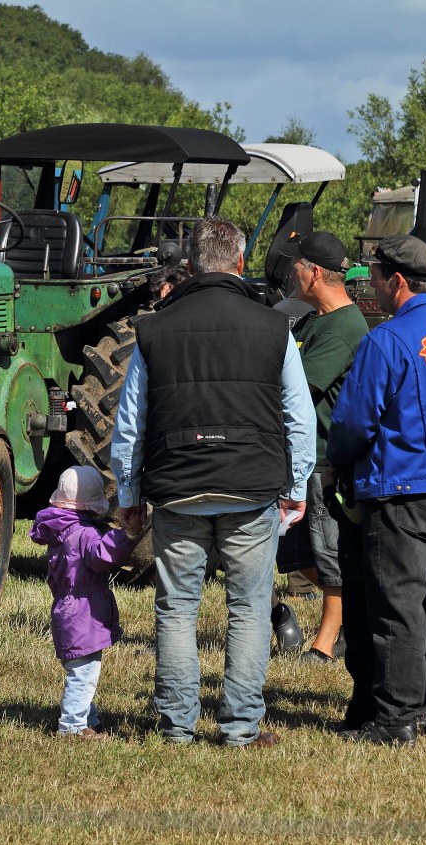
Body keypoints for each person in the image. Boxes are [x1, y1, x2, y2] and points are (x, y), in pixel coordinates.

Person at [111, 217, 316, 747]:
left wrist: (128, 495)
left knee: (177, 609)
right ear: (241, 263)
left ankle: (177, 728)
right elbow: (300, 417)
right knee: (248, 609)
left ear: (192, 265)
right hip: (252, 487)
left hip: (178, 487)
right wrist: (297, 486)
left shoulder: (153, 329)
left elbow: (130, 423)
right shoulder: (275, 327)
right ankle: (241, 728)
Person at [327, 234, 426, 747]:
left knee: (397, 606)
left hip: (401, 491)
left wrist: (337, 461)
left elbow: (353, 421)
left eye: (375, 278)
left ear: (397, 281)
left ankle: (396, 721)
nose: (371, 287)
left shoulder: (386, 341)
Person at [276, 231, 368, 665]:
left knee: (328, 553)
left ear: (313, 273)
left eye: (295, 265)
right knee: (295, 556)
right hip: (298, 457)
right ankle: (355, 609)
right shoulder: (312, 320)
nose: (290, 273)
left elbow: (297, 390)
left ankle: (326, 644)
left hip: (322, 459)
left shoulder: (344, 327)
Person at [29, 465, 137, 739]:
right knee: (84, 673)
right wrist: (126, 534)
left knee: (81, 670)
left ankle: (90, 719)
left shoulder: (59, 530)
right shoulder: (84, 533)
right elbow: (101, 556)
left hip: (66, 609)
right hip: (83, 612)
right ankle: (72, 726)